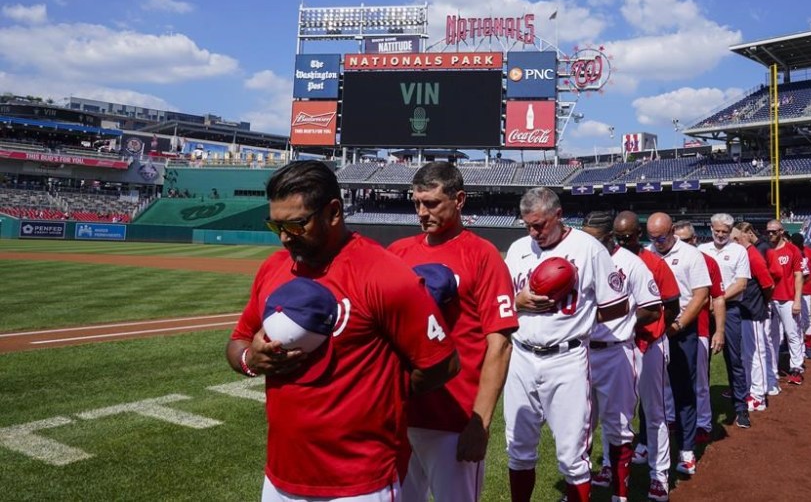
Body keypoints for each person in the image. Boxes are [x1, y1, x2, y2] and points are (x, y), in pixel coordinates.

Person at [227, 160, 460, 501]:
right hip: (280, 479)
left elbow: (442, 363)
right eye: (274, 225)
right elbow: (237, 342)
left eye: (295, 225)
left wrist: (383, 394)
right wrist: (252, 360)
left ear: (333, 212)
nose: (283, 238)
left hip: (361, 483)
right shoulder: (273, 269)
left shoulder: (385, 274)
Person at [387, 161, 519, 501]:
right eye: (416, 203)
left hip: (455, 418)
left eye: (431, 203)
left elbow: (500, 345)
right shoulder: (398, 252)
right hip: (401, 414)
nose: (421, 212)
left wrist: (480, 422)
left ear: (459, 200)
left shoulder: (483, 255)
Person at [504, 187, 620, 502]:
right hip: (522, 356)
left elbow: (618, 304)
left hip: (567, 358)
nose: (533, 232)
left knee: (572, 457)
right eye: (527, 224)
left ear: (558, 215)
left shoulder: (588, 248)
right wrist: (519, 300)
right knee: (517, 448)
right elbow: (500, 303)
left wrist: (583, 322)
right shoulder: (517, 249)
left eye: (539, 224)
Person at [580, 210, 661, 502]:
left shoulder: (630, 263)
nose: (587, 245)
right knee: (578, 427)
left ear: (610, 237)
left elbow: (653, 307)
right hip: (582, 352)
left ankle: (621, 495)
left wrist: (624, 323)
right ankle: (578, 491)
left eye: (595, 239)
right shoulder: (577, 259)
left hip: (616, 354)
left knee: (619, 427)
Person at [612, 211, 681, 502]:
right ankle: (609, 468)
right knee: (616, 414)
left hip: (650, 343)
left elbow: (672, 304)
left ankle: (659, 475)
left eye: (628, 236)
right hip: (621, 346)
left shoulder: (654, 263)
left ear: (638, 234)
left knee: (655, 413)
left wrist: (659, 330)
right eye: (619, 236)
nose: (624, 241)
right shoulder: (610, 261)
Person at [645, 212, 710, 476]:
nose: (657, 242)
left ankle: (686, 449)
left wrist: (679, 325)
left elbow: (701, 295)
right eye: (652, 238)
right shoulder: (648, 253)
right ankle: (644, 444)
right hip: (653, 330)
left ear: (672, 231)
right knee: (649, 390)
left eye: (661, 237)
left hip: (682, 330)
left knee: (684, 391)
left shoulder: (691, 255)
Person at [697, 214, 751, 429]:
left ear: (730, 231)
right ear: (711, 228)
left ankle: (741, 408)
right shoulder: (702, 250)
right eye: (717, 230)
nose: (720, 235)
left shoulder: (739, 251)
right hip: (703, 311)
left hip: (730, 310)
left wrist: (717, 301)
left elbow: (741, 284)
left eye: (725, 231)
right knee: (702, 361)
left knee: (734, 360)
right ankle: (702, 410)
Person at [673, 221, 726, 439]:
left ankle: (703, 423)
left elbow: (719, 298)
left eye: (685, 240)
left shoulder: (708, 262)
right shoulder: (663, 259)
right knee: (666, 381)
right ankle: (671, 419)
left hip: (699, 327)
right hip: (667, 329)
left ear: (694, 240)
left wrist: (719, 331)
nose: (681, 244)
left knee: (700, 382)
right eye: (677, 240)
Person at [732, 222, 776, 407]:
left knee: (757, 353)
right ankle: (750, 389)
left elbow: (768, 285)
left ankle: (758, 396)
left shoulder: (753, 255)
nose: (732, 242)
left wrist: (763, 304)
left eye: (735, 238)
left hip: (753, 311)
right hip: (744, 310)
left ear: (744, 237)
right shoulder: (744, 255)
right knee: (747, 354)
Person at [764, 221, 805, 386]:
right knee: (771, 336)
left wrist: (797, 300)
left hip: (787, 298)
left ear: (781, 231)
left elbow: (798, 276)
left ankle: (796, 368)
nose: (770, 234)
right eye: (768, 232)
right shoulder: (765, 250)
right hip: (770, 299)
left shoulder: (792, 250)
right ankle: (772, 369)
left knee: (792, 333)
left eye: (773, 232)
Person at [790, 232, 811, 359]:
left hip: (806, 291)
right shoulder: (789, 252)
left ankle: (807, 346)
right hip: (791, 291)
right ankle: (794, 346)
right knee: (792, 319)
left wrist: (806, 279)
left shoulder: (809, 252)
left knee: (806, 319)